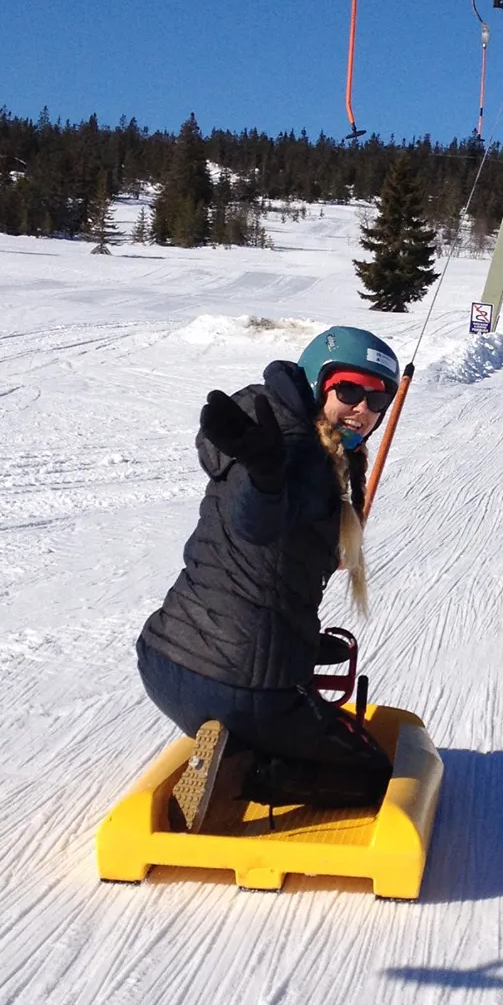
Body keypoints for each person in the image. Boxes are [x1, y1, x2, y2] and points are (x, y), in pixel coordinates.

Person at [137, 325, 401, 826]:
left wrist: (302, 643)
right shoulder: (290, 452)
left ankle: (237, 741)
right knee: (372, 773)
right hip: (241, 687)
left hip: (165, 659)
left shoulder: (293, 435)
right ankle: (248, 771)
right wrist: (265, 476)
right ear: (317, 383)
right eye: (349, 390)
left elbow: (264, 568)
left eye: (377, 398)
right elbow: (256, 523)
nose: (363, 409)